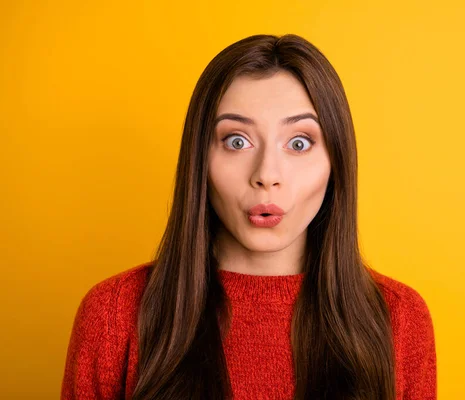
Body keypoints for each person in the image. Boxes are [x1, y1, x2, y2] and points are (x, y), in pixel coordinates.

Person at [60, 33, 436, 400]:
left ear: (336, 162)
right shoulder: (113, 316)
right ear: (200, 161)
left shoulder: (399, 319)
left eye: (299, 143)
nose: (266, 174)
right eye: (237, 141)